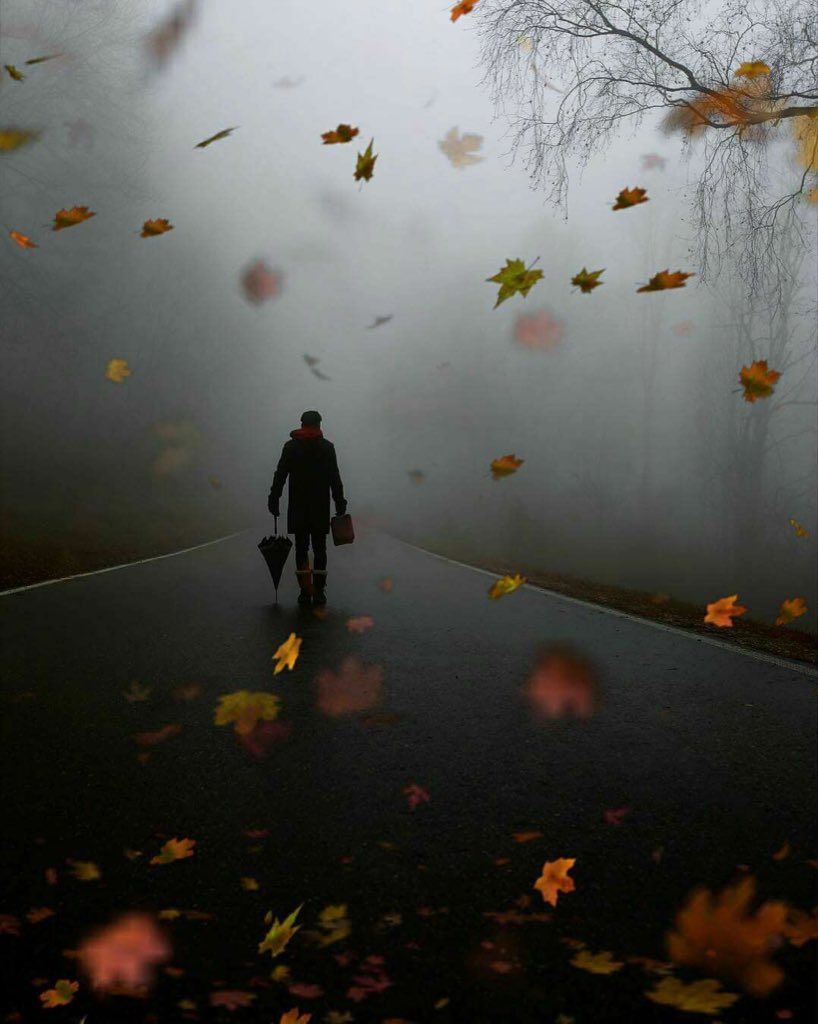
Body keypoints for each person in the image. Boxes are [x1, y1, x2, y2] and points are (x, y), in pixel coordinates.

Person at [268, 411, 347, 607]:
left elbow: (280, 475)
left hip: (298, 506)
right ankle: (319, 592)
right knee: (320, 548)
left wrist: (274, 498)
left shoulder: (291, 447)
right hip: (320, 506)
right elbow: (334, 477)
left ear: (302, 425)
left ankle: (304, 592)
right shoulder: (327, 448)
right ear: (319, 425)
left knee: (301, 548)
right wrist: (339, 501)